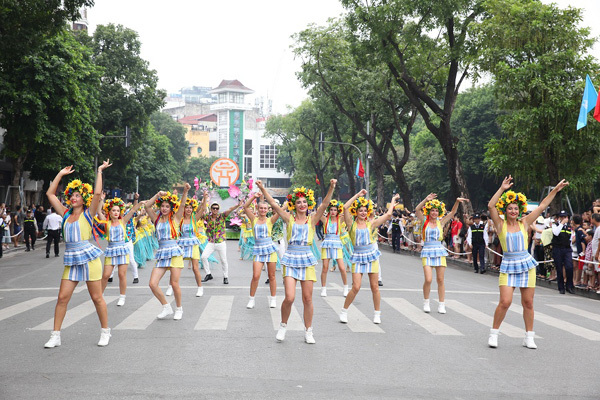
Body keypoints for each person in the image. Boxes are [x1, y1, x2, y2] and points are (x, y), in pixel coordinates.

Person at [487, 175, 568, 349]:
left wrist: (555, 189)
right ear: (505, 210)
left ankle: (529, 336)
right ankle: (494, 333)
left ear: (520, 210)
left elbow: (543, 206)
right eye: (510, 209)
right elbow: (490, 205)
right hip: (508, 264)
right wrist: (502, 189)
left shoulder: (525, 222)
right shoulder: (500, 225)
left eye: (516, 209)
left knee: (528, 302)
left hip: (526, 264)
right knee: (505, 301)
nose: (513, 211)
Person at [257, 179, 336, 344]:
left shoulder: (313, 219)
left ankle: (308, 331)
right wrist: (262, 188)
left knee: (307, 298)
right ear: (294, 205)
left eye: (304, 202)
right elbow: (273, 203)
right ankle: (283, 325)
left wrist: (331, 187)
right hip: (291, 258)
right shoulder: (288, 218)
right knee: (290, 297)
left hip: (306, 259)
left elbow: (325, 204)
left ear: (308, 204)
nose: (302, 205)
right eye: (298, 202)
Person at [44, 160, 112, 348]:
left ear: (83, 199)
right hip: (72, 259)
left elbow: (97, 193)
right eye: (71, 195)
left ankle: (105, 331)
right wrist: (60, 174)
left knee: (97, 298)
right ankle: (55, 335)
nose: (73, 198)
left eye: (77, 195)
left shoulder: (89, 214)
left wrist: (99, 171)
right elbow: (50, 194)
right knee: (62, 298)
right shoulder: (65, 214)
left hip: (89, 258)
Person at [339, 190, 400, 325]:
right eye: (360, 210)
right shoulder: (351, 224)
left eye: (365, 211)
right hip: (357, 256)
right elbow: (345, 207)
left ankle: (377, 314)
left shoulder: (371, 223)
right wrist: (358, 196)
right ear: (356, 211)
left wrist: (393, 199)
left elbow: (389, 214)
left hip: (371, 255)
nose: (363, 213)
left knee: (375, 287)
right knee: (356, 287)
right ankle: (344, 311)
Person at [415, 194, 468, 314]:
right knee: (428, 279)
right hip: (427, 251)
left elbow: (453, 212)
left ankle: (441, 304)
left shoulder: (441, 221)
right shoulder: (424, 221)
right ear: (429, 211)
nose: (434, 213)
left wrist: (457, 201)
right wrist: (425, 200)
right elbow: (417, 209)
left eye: (436, 211)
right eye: (432, 210)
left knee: (440, 279)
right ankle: (426, 301)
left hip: (439, 250)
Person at [145, 185, 190, 320]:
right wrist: (158, 194)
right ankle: (166, 306)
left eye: (167, 206)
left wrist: (186, 191)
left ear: (171, 208)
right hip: (162, 253)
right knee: (152, 284)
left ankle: (179, 308)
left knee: (174, 283)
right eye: (162, 206)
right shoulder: (156, 219)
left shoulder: (175, 219)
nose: (164, 208)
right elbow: (147, 206)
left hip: (174, 252)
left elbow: (182, 205)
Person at [98, 197, 144, 307]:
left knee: (121, 274)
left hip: (122, 249)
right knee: (106, 275)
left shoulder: (122, 221)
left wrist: (140, 203)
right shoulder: (106, 222)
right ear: (109, 211)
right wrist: (101, 200)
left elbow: (132, 211)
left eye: (118, 211)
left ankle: (122, 297)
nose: (116, 212)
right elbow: (99, 211)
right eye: (113, 210)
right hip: (111, 250)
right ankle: (100, 296)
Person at [243, 192, 279, 309]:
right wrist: (254, 197)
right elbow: (245, 207)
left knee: (271, 275)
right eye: (261, 208)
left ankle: (273, 299)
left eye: (265, 208)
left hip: (269, 249)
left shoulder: (271, 220)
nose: (263, 210)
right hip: (258, 249)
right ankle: (251, 299)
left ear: (268, 210)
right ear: (257, 209)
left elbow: (279, 209)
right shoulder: (253, 219)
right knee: (256, 276)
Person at [198, 193, 241, 284]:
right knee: (204, 257)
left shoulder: (222, 216)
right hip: (211, 242)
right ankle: (208, 274)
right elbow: (201, 210)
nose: (215, 210)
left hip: (220, 242)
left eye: (217, 208)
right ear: (211, 209)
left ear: (218, 209)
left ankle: (225, 277)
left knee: (223, 260)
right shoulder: (207, 217)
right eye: (213, 208)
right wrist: (205, 198)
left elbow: (230, 210)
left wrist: (238, 205)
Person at [319, 199, 349, 297]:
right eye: (331, 209)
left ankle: (345, 287)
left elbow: (348, 211)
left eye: (335, 210)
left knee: (342, 267)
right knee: (325, 267)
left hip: (336, 243)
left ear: (337, 211)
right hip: (327, 243)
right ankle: (323, 288)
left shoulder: (340, 219)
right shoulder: (325, 219)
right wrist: (325, 204)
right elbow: (317, 211)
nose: (333, 212)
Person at [177, 197, 205, 297]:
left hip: (193, 243)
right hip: (182, 243)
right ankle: (171, 286)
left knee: (195, 268)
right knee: (176, 267)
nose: (188, 209)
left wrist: (205, 198)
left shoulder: (194, 219)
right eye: (186, 207)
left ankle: (200, 288)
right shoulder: (179, 219)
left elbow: (202, 209)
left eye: (190, 208)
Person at [551, 210, 575, 294]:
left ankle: (569, 286)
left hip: (567, 249)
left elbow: (570, 239)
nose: (564, 219)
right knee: (559, 268)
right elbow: (556, 233)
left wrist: (571, 248)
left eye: (565, 217)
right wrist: (561, 223)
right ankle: (561, 287)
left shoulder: (569, 227)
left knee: (569, 267)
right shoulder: (555, 225)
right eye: (562, 217)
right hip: (558, 248)